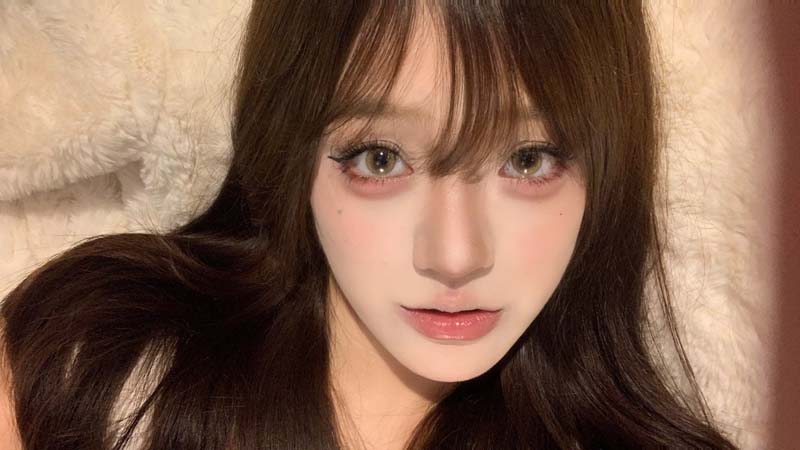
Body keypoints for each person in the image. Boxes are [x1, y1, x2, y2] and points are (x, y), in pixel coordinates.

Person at [0, 1, 740, 449]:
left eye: (529, 159)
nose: (455, 255)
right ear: (291, 150)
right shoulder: (90, 359)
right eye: (381, 158)